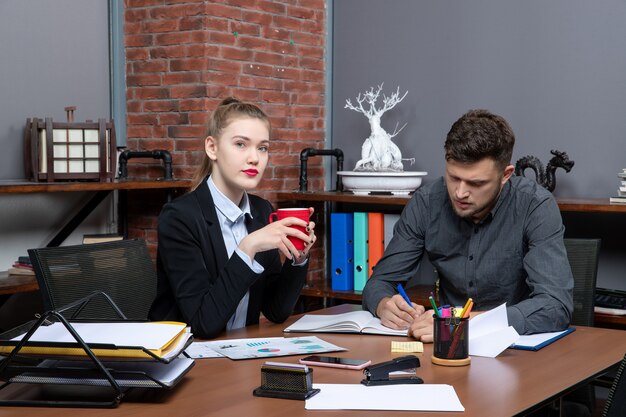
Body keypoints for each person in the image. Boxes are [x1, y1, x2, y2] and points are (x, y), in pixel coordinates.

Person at [362, 109, 573, 343]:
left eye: (476, 183)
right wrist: (384, 305)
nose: (460, 193)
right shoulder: (426, 203)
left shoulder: (535, 206)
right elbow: (379, 283)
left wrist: (465, 323)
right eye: (453, 178)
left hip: (516, 352)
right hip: (445, 351)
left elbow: (555, 306)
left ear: (506, 174)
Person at [149, 97, 316, 339]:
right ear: (212, 148)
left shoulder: (260, 210)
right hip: (184, 359)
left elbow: (276, 311)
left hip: (235, 353)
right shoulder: (179, 218)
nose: (254, 158)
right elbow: (202, 324)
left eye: (263, 148)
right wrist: (248, 246)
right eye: (240, 144)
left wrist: (298, 258)